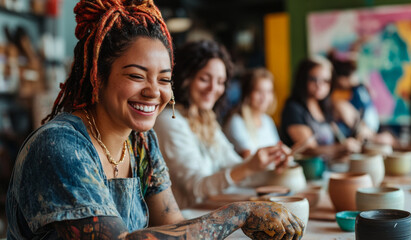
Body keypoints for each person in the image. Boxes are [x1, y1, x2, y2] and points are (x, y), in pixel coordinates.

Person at [5, 1, 304, 239]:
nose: (153, 92)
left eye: (164, 80)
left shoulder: (142, 142)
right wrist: (237, 214)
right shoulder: (61, 146)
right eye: (136, 76)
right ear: (98, 76)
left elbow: (173, 223)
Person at [154, 40, 292, 209]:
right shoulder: (170, 120)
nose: (213, 88)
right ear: (185, 78)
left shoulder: (205, 119)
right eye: (204, 79)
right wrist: (249, 167)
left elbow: (233, 167)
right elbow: (196, 188)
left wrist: (272, 166)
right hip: (185, 221)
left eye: (220, 82)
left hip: (209, 214)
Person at [279, 56, 361, 160]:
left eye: (326, 81)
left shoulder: (325, 106)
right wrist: (341, 148)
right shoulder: (293, 108)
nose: (319, 85)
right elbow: (307, 150)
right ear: (302, 79)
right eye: (313, 79)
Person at [329, 54, 395, 145]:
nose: (354, 78)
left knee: (388, 139)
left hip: (370, 129)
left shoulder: (359, 89)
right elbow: (354, 121)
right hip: (359, 133)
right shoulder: (336, 98)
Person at [223, 67, 280, 158]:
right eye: (259, 91)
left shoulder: (267, 120)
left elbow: (277, 149)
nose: (265, 97)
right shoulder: (236, 121)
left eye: (269, 91)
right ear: (248, 93)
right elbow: (248, 158)